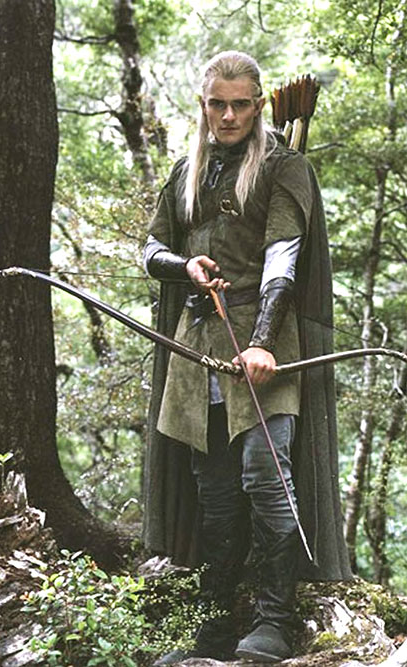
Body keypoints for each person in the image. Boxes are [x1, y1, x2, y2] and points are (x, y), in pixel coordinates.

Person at [141, 52, 351, 665]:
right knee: (216, 494)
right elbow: (150, 247)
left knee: (266, 473)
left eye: (240, 104)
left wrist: (261, 341)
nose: (227, 115)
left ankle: (275, 623)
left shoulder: (284, 167)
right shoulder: (187, 171)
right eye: (216, 103)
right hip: (197, 352)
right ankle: (213, 630)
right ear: (202, 104)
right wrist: (184, 265)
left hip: (267, 344)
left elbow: (284, 257)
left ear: (259, 105)